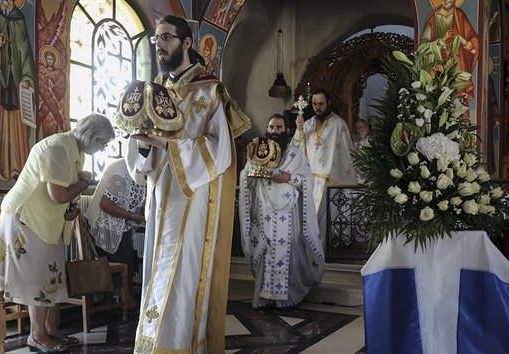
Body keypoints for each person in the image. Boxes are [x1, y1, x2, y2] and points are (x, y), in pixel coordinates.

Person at [124, 15, 250, 354]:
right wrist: (141, 144)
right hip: (160, 199)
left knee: (181, 278)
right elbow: (141, 162)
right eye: (156, 39)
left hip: (192, 204)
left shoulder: (209, 91)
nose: (160, 44)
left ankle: (179, 347)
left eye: (166, 37)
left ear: (187, 42)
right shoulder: (154, 92)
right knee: (156, 275)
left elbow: (220, 152)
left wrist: (170, 145)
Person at [0, 113, 115, 353]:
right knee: (39, 277)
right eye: (102, 143)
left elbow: (63, 195)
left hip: (46, 220)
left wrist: (71, 208)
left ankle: (50, 329)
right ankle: (37, 335)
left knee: (51, 273)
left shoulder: (75, 151)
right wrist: (84, 183)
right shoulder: (57, 148)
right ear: (92, 136)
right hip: (25, 218)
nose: (102, 148)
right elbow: (59, 194)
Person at [239, 114, 325, 308]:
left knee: (289, 249)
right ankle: (265, 298)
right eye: (271, 127)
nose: (274, 131)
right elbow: (245, 175)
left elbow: (307, 180)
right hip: (264, 211)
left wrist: (289, 178)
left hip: (289, 213)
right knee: (265, 249)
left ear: (286, 130)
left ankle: (286, 298)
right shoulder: (257, 150)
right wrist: (253, 175)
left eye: (278, 128)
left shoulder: (295, 153)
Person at [292, 88, 357, 247]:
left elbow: (347, 154)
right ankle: (310, 251)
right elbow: (295, 148)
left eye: (321, 104)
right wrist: (299, 130)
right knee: (308, 218)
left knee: (322, 221)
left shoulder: (339, 125)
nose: (317, 107)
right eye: (314, 104)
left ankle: (324, 250)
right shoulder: (307, 124)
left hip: (330, 181)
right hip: (310, 180)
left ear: (328, 103)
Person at [84, 158, 145, 310]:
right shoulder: (121, 171)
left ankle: (115, 301)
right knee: (124, 263)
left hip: (121, 223)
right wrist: (134, 217)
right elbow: (105, 205)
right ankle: (124, 301)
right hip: (104, 224)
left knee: (128, 260)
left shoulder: (139, 171)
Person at [0, 0, 35, 181]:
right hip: (1, 77)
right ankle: (2, 167)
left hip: (18, 78)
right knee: (2, 120)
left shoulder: (20, 20)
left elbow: (26, 50)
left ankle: (19, 168)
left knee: (18, 123)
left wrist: (27, 77)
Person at [420, 0, 479, 107]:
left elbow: (474, 41)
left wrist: (464, 42)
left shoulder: (459, 15)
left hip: (457, 64)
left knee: (458, 99)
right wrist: (442, 39)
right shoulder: (433, 19)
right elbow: (423, 47)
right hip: (438, 66)